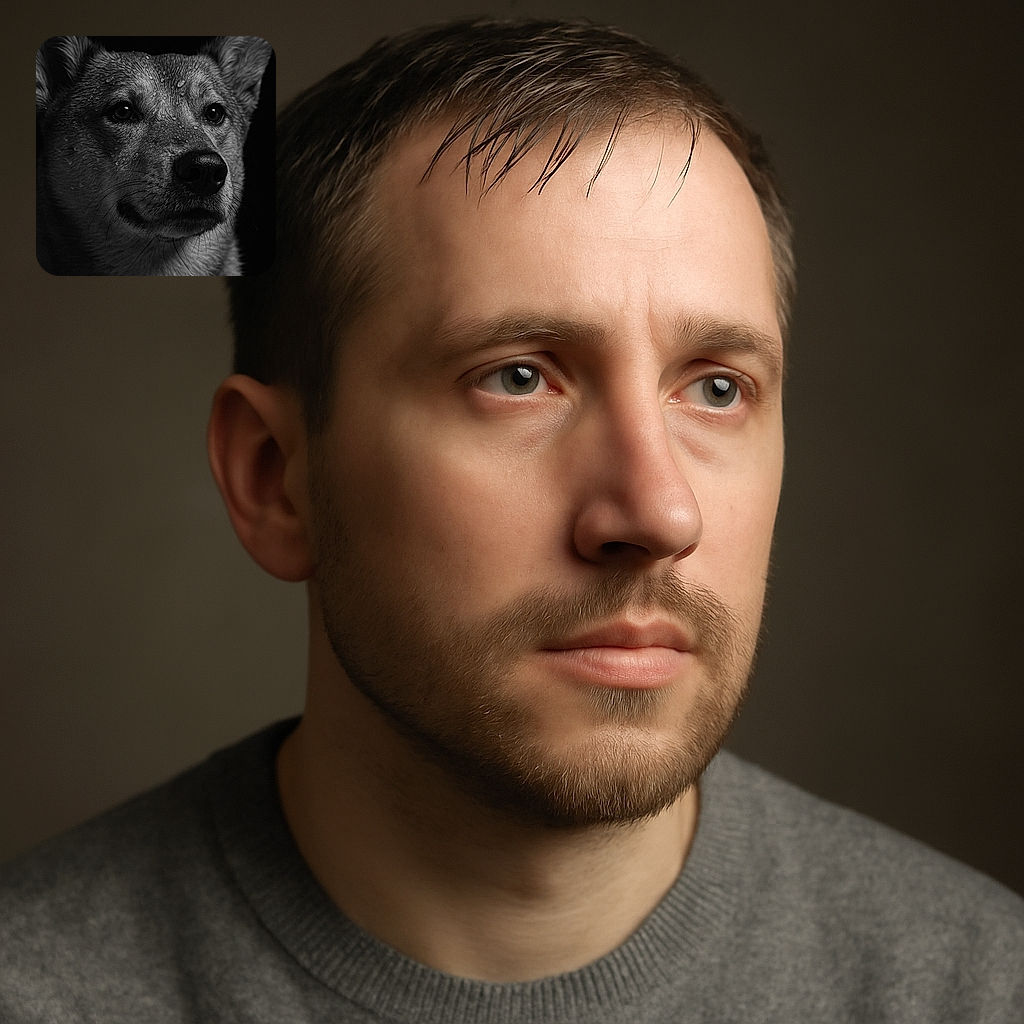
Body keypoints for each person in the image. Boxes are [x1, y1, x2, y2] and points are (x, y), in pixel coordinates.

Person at [2, 17, 1021, 1023]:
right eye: (519, 377)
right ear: (274, 477)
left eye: (714, 388)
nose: (656, 512)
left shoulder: (981, 988)